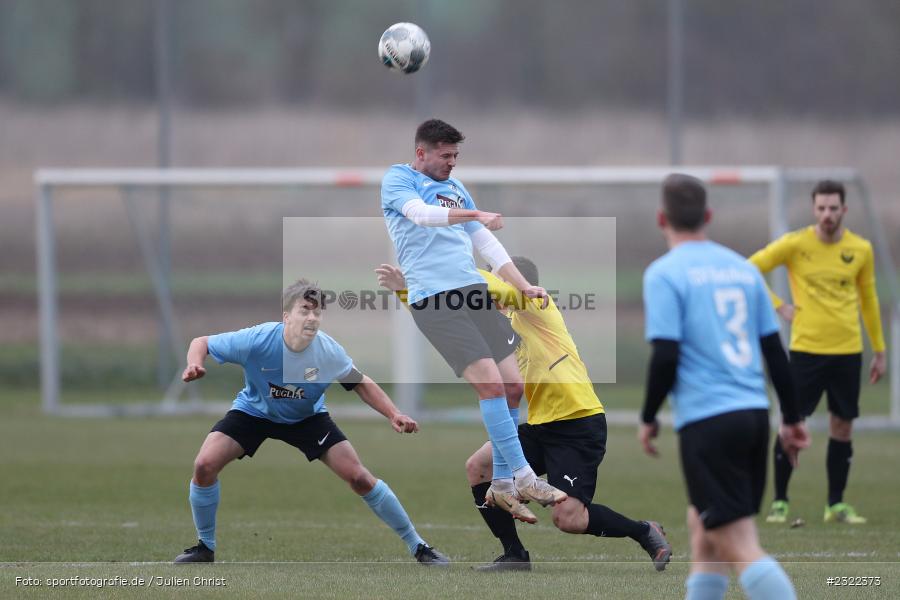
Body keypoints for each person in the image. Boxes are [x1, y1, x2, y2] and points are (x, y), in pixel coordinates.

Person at [376, 260, 672, 573]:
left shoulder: (537, 306)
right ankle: (514, 554)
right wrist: (406, 292)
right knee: (479, 467)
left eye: (494, 284)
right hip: (540, 426)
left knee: (569, 519)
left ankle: (643, 531)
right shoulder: (497, 327)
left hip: (578, 423)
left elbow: (492, 288)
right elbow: (445, 323)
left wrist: (457, 264)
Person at [173, 279, 448, 566]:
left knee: (359, 478)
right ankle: (205, 547)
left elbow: (360, 382)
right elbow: (201, 343)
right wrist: (195, 363)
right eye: (305, 310)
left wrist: (394, 414)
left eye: (317, 312)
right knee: (204, 465)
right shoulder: (258, 339)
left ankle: (419, 546)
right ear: (286, 316)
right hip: (254, 412)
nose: (312, 317)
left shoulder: (327, 351)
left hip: (307, 418)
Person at [381, 118, 566, 514]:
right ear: (421, 153)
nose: (452, 162)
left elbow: (485, 242)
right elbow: (420, 215)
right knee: (492, 387)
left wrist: (521, 286)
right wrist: (476, 214)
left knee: (513, 386)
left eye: (455, 156)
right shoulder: (399, 179)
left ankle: (501, 484)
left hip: (473, 292)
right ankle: (524, 476)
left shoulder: (456, 188)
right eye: (445, 155)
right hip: (435, 299)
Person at [639, 174, 810, 600]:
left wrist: (649, 416)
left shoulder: (664, 274)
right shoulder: (743, 270)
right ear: (708, 216)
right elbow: (775, 353)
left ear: (661, 219)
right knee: (703, 533)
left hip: (708, 421)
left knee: (738, 543)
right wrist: (792, 419)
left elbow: (665, 355)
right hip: (753, 417)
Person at [748, 179, 886, 525]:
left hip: (848, 351)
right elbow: (749, 269)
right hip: (806, 351)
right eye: (821, 208)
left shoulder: (861, 249)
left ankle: (835, 505)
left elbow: (869, 300)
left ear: (844, 210)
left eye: (833, 208)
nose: (827, 214)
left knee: (843, 427)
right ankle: (780, 502)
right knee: (790, 425)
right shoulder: (796, 244)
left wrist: (880, 349)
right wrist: (778, 305)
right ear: (814, 209)